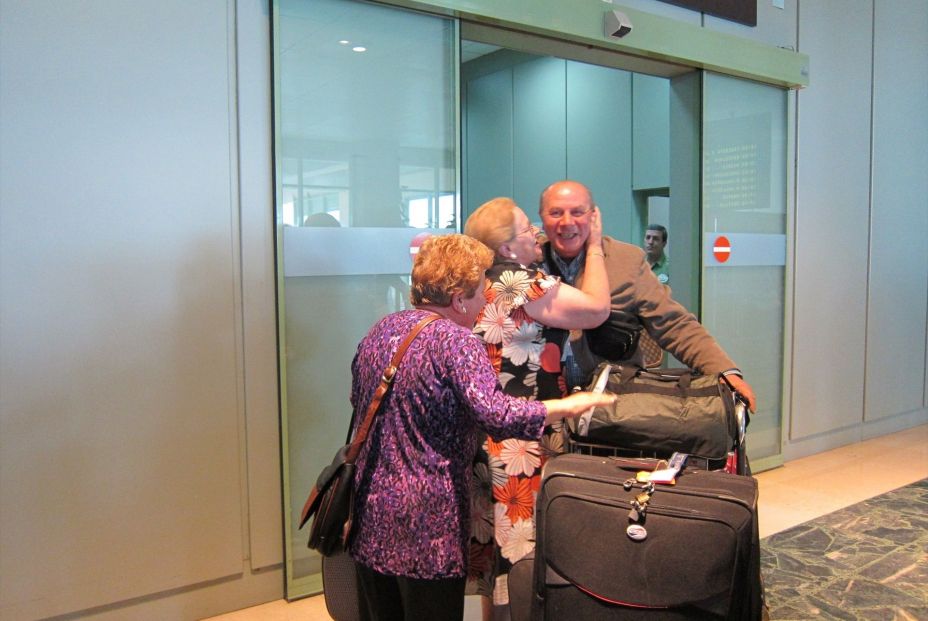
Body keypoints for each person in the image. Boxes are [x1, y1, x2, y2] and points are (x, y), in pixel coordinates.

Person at [348, 234, 614, 621]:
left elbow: (359, 406)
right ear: (458, 299)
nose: (483, 305)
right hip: (428, 522)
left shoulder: (380, 331)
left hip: (370, 511)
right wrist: (567, 406)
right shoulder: (456, 342)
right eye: (479, 295)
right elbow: (497, 416)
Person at [462, 197, 610, 619]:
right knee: (520, 545)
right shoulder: (520, 281)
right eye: (528, 229)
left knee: (484, 544)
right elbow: (597, 309)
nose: (537, 235)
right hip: (520, 436)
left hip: (480, 431)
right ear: (507, 248)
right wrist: (595, 245)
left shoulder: (474, 283)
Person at [538, 180, 757, 411]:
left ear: (594, 217)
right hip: (544, 406)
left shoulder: (627, 262)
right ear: (541, 218)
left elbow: (673, 324)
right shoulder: (527, 263)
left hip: (610, 406)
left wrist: (726, 372)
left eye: (577, 212)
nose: (567, 222)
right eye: (555, 213)